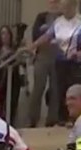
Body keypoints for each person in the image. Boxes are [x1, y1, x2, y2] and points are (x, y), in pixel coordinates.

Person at [30, 0, 81, 126]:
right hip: (60, 60)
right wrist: (33, 45)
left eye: (67, 7)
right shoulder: (58, 22)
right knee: (60, 89)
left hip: (75, 61)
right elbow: (47, 36)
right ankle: (62, 118)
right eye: (63, 8)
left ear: (74, 7)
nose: (65, 10)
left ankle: (73, 118)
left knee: (73, 89)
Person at [27, 0, 63, 128]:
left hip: (58, 56)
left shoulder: (64, 18)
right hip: (42, 55)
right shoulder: (41, 17)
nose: (54, 4)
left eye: (57, 2)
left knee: (55, 89)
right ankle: (33, 118)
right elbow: (36, 35)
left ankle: (52, 119)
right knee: (38, 87)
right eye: (52, 2)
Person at [0, 25, 23, 122]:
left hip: (14, 80)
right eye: (2, 33)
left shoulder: (15, 49)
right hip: (0, 79)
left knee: (12, 103)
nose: (5, 36)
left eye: (7, 33)